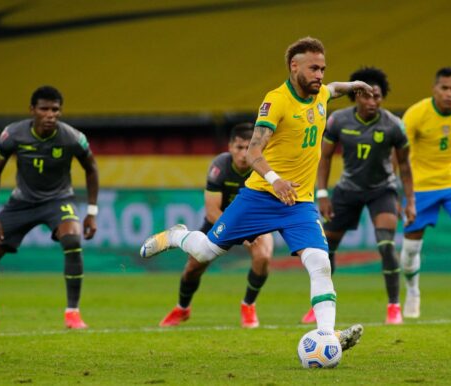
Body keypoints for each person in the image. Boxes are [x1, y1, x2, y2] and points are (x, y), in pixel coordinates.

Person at [141, 37, 372, 351]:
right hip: (261, 196)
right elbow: (252, 151)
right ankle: (177, 236)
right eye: (313, 68)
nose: (319, 74)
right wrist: (276, 180)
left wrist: (353, 84)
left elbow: (334, 89)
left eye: (323, 68)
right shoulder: (276, 101)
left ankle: (327, 337)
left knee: (320, 263)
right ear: (294, 67)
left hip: (299, 202)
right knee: (206, 252)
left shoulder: (321, 95)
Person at [0, 86, 99, 330]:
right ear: (32, 110)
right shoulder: (13, 135)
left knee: (72, 240)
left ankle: (72, 313)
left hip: (59, 200)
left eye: (55, 109)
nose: (50, 114)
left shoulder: (72, 138)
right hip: (21, 202)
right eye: (44, 109)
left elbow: (92, 169)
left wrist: (92, 212)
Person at [301, 67, 416, 325]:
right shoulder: (338, 121)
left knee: (386, 246)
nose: (372, 101)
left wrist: (410, 201)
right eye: (366, 96)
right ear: (355, 96)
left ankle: (393, 306)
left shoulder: (394, 125)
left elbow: (405, 166)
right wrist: (322, 193)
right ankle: (320, 304)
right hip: (347, 190)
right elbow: (325, 157)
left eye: (377, 96)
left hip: (382, 190)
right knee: (325, 249)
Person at [158, 123, 274, 328]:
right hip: (220, 221)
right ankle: (182, 308)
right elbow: (212, 212)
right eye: (239, 147)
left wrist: (250, 230)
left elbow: (269, 205)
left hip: (253, 223)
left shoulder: (263, 168)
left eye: (248, 147)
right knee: (193, 267)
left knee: (263, 255)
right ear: (230, 147)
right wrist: (238, 232)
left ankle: (248, 305)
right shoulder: (220, 167)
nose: (243, 153)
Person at [400, 67, 451, 318]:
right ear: (434, 89)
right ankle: (413, 292)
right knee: (411, 247)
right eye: (444, 88)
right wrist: (402, 191)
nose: (449, 94)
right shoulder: (415, 115)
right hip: (421, 185)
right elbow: (400, 155)